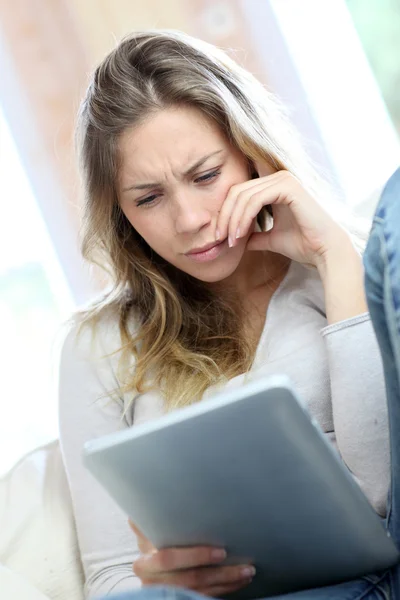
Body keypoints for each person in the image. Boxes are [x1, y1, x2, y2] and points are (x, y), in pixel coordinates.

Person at [58, 29, 394, 599]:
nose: (189, 219)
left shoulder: (361, 269)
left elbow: (384, 502)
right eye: (148, 198)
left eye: (206, 175)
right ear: (119, 214)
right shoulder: (98, 343)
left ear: (252, 152)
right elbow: (113, 578)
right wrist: (164, 580)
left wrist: (334, 257)